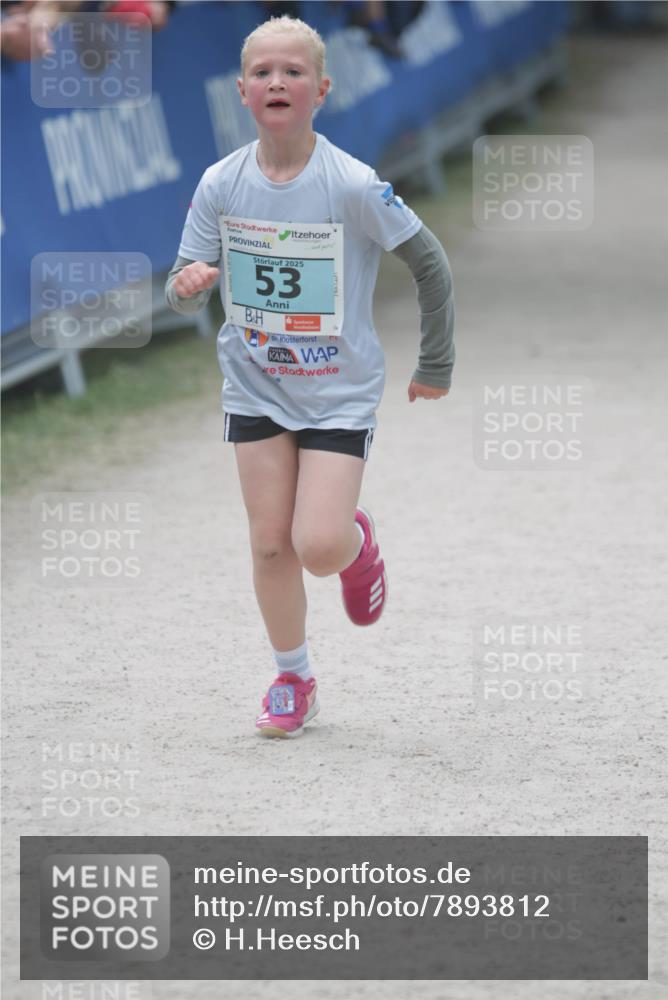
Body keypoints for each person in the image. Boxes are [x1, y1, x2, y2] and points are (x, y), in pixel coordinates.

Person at [165, 15, 454, 739]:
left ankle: (357, 544)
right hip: (256, 384)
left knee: (316, 546)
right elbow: (178, 278)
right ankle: (293, 677)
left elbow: (430, 263)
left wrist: (436, 363)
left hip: (337, 391)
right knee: (270, 543)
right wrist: (190, 283)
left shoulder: (350, 182)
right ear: (242, 91)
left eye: (292, 71)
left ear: (321, 89)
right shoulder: (220, 182)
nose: (276, 82)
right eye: (262, 72)